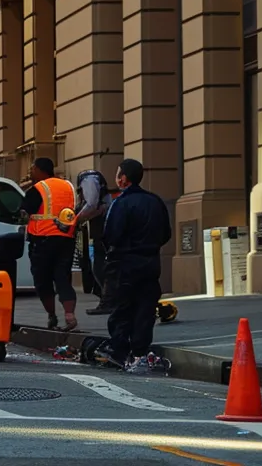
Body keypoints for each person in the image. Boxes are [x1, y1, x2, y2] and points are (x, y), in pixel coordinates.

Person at [95, 158, 171, 371]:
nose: (116, 178)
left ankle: (119, 349)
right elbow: (166, 233)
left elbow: (111, 234)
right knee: (145, 308)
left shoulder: (121, 203)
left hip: (125, 264)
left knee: (123, 307)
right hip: (150, 262)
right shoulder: (155, 201)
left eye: (118, 174)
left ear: (123, 179)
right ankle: (140, 350)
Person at [18, 157, 78, 332]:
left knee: (43, 280)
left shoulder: (38, 189)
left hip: (42, 239)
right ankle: (70, 315)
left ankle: (52, 316)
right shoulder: (68, 187)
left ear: (40, 170)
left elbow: (24, 211)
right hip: (66, 238)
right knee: (62, 276)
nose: (31, 172)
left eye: (33, 169)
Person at [71, 167, 116, 316]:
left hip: (101, 231)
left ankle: (108, 300)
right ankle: (108, 299)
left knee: (99, 267)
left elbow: (91, 204)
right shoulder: (94, 181)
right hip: (99, 229)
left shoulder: (88, 180)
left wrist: (76, 220)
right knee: (98, 266)